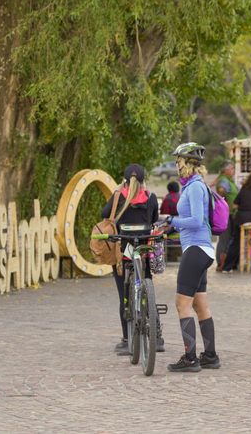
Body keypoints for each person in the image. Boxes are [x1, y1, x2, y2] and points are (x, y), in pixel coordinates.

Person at [164, 142, 220, 372]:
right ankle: (210, 356)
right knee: (200, 304)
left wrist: (172, 220)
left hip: (197, 250)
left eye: (178, 160)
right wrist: (171, 227)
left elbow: (196, 221)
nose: (176, 164)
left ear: (187, 163)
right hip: (201, 249)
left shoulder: (195, 187)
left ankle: (190, 358)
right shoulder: (194, 186)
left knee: (181, 303)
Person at [100, 164, 161, 354]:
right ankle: (157, 338)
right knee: (147, 289)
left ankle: (127, 339)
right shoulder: (150, 197)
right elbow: (154, 220)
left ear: (124, 180)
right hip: (144, 249)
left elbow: (104, 215)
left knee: (124, 294)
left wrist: (117, 191)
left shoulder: (119, 196)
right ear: (144, 180)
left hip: (124, 252)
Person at [216, 160, 238, 271]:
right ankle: (221, 263)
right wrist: (226, 203)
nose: (234, 170)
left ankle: (224, 262)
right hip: (226, 214)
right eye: (232, 168)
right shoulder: (224, 180)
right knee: (225, 238)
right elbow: (221, 190)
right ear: (226, 170)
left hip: (229, 213)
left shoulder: (228, 180)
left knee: (228, 238)